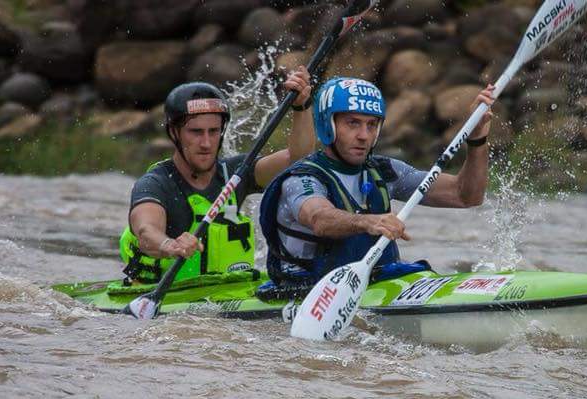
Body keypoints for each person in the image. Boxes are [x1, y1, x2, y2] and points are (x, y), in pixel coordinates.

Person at [259, 76, 494, 286]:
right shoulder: (304, 178)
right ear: (327, 125)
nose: (363, 135)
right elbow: (320, 219)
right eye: (353, 123)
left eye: (371, 125)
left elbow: (466, 195)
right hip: (305, 288)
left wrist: (476, 140)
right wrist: (367, 222)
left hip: (371, 281)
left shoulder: (385, 170)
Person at [120, 67, 316, 283]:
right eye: (196, 132)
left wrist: (302, 107)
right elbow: (146, 232)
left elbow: (297, 159)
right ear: (174, 132)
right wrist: (170, 245)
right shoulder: (155, 183)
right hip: (167, 297)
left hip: (225, 295)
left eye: (213, 132)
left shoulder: (237, 173)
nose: (206, 143)